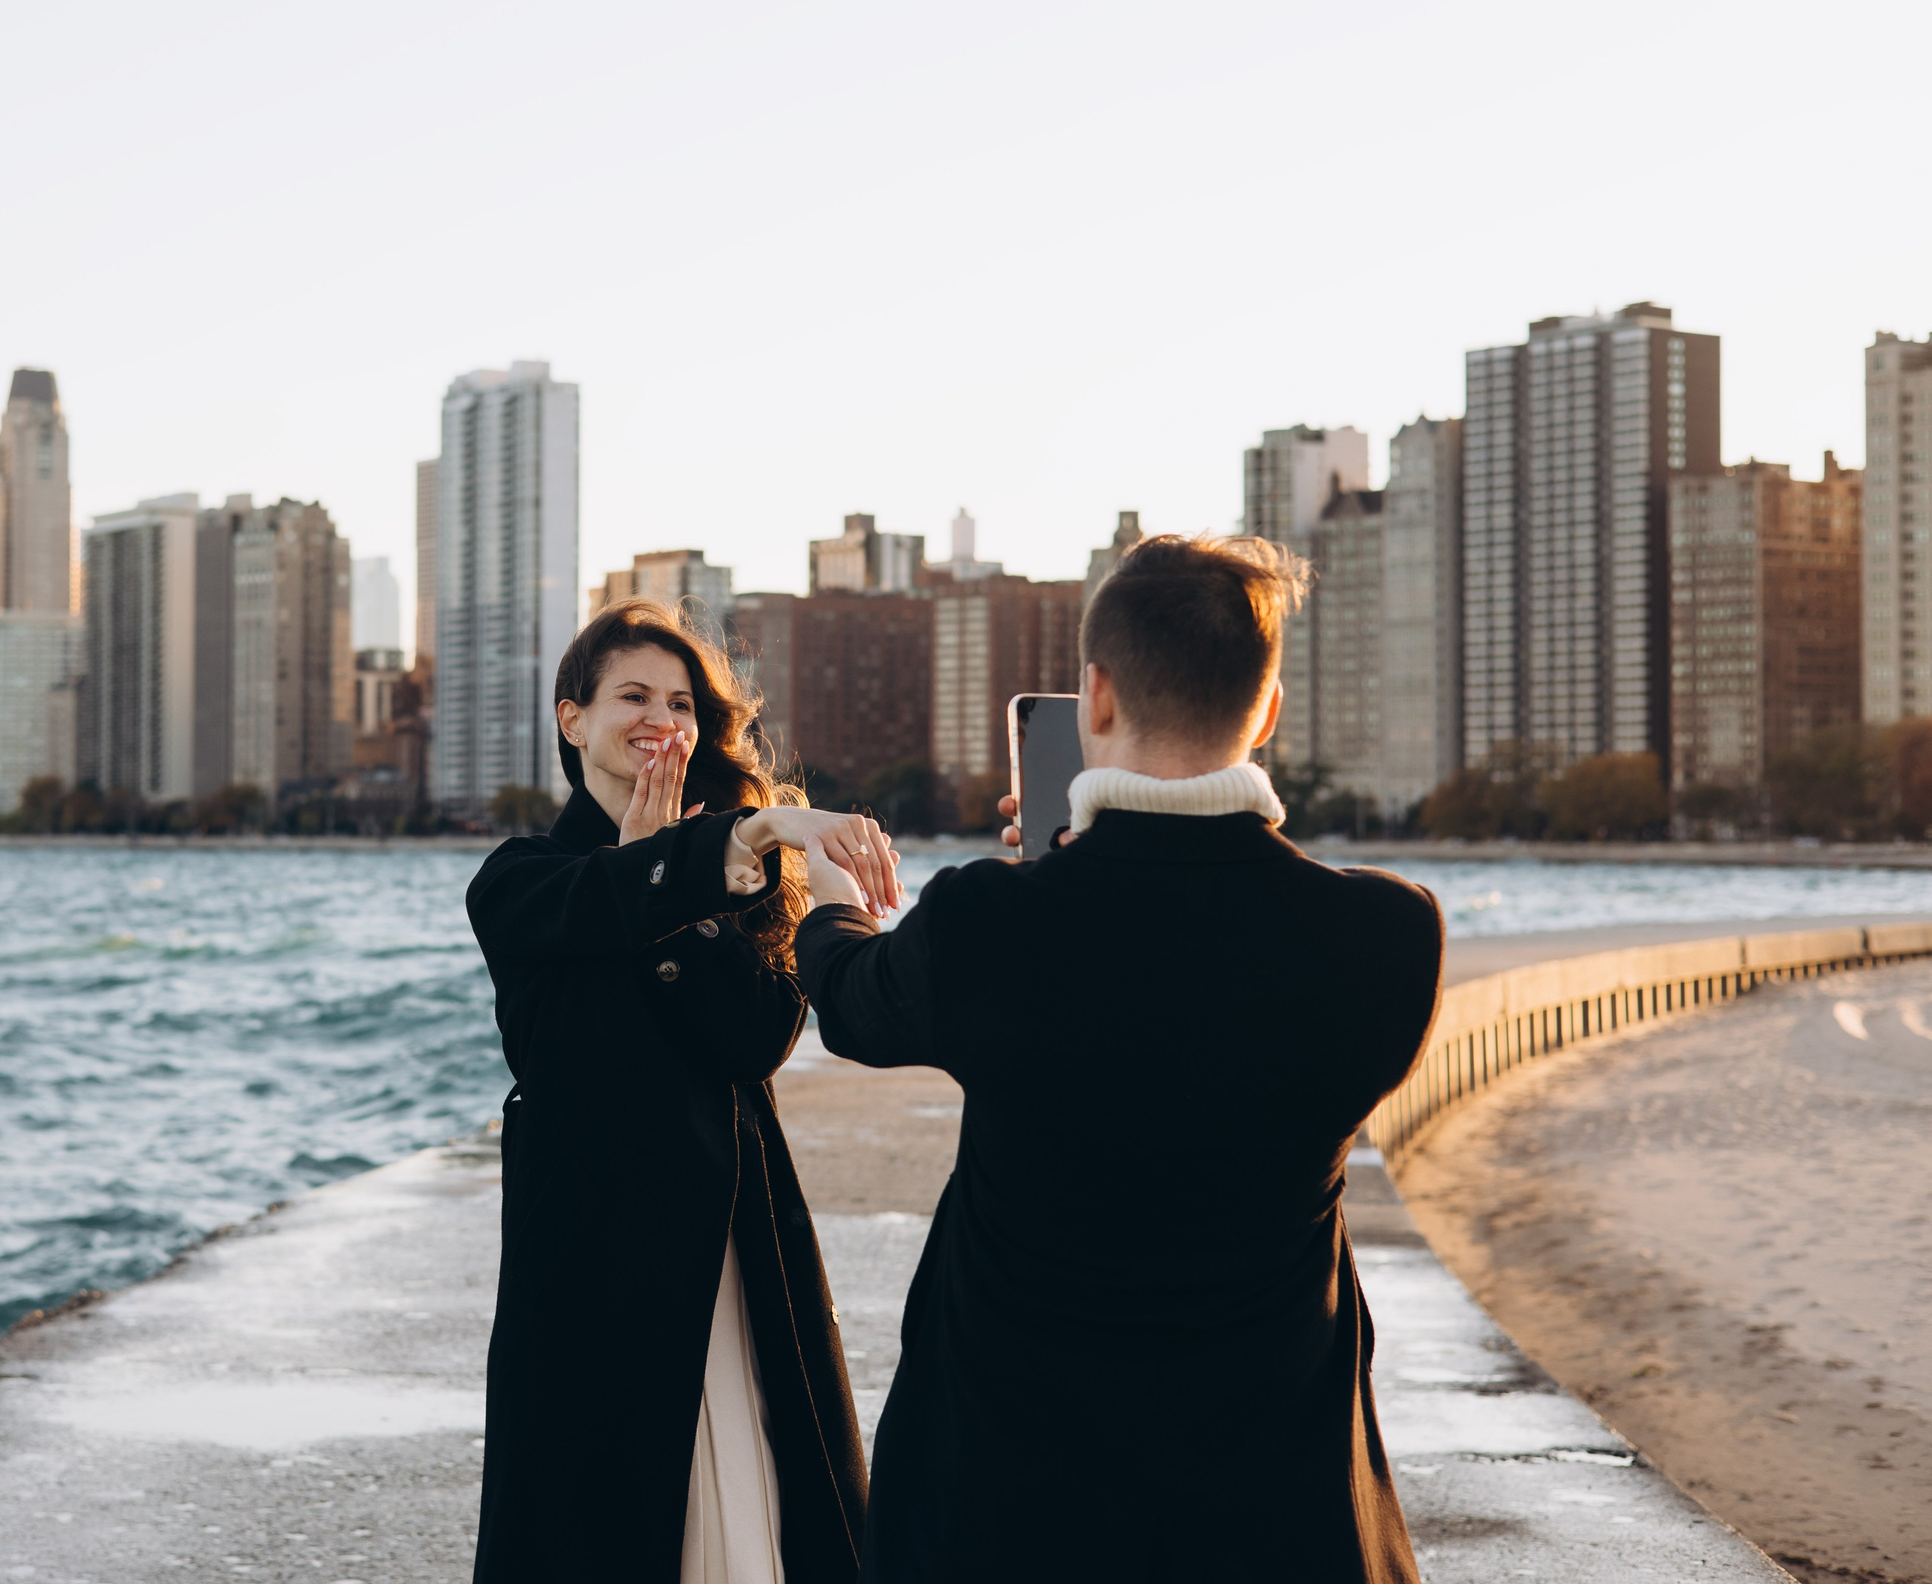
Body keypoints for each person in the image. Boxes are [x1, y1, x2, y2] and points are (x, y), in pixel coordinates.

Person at [796, 535, 1444, 1583]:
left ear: (1095, 695)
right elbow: (1187, 965)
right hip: (1276, 1511)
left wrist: (832, 903)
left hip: (1014, 1510)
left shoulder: (988, 926)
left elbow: (852, 1004)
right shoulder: (1390, 937)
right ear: (1266, 711)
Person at [465, 599, 904, 1584]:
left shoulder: (737, 882)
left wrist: (714, 878)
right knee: (591, 1531)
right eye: (633, 696)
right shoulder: (519, 877)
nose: (661, 719)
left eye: (680, 703)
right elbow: (599, 906)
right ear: (573, 717)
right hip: (590, 1268)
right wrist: (753, 832)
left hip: (730, 1246)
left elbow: (757, 1040)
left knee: (760, 1517)